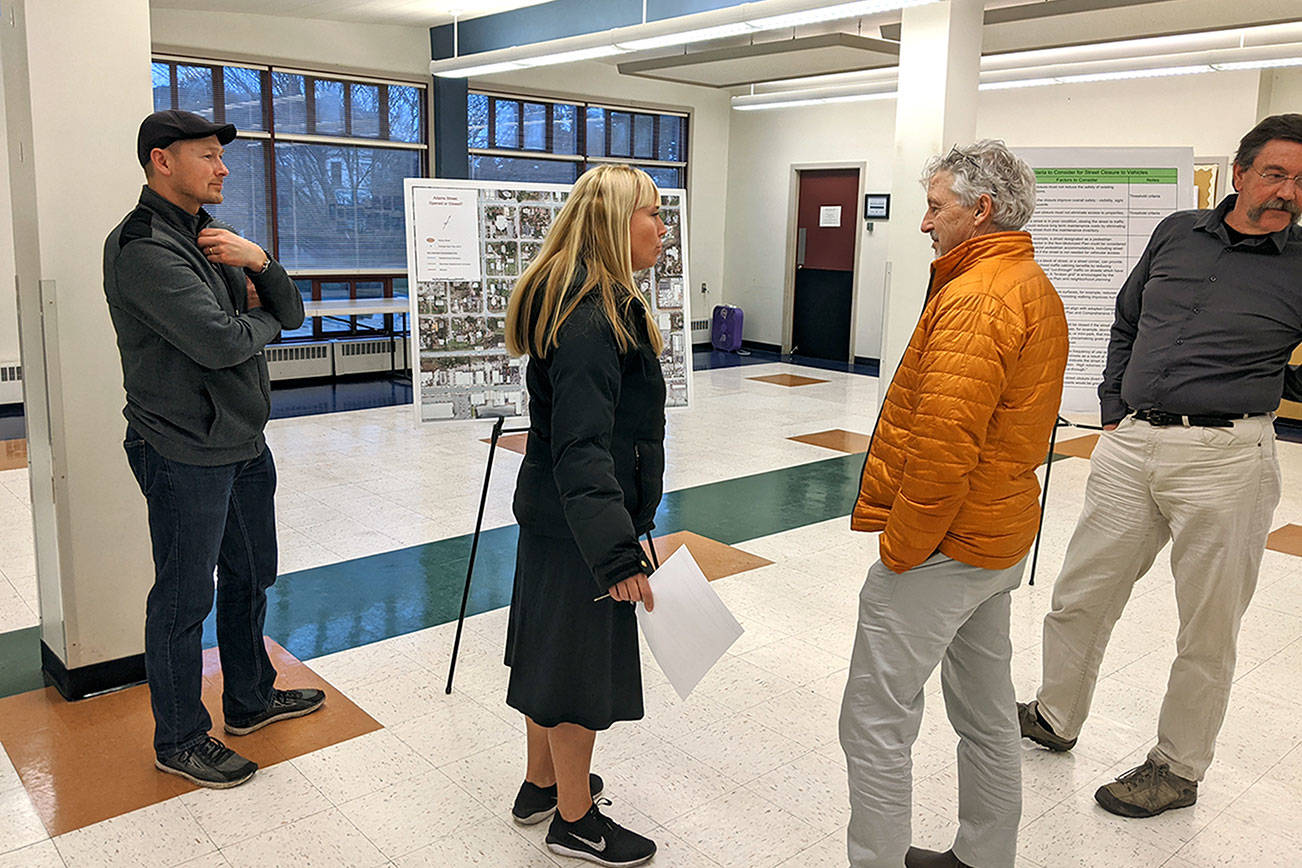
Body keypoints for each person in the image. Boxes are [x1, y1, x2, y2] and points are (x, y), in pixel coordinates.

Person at [1019, 114, 1302, 818]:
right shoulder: (1177, 231)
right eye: (1275, 174)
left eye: (1300, 181)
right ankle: (1055, 717)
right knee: (1080, 594)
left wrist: (1272, 379)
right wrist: (1114, 403)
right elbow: (1127, 318)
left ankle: (1176, 769)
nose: (1287, 192)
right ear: (1239, 174)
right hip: (1132, 444)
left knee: (1206, 629)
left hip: (1227, 457)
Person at [840, 140, 1068, 868]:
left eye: (936, 207)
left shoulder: (976, 297)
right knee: (986, 711)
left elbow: (943, 448)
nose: (925, 222)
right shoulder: (1028, 281)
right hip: (997, 536)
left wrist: (903, 549)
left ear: (982, 210)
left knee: (875, 717)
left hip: (947, 543)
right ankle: (983, 856)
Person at [103, 110, 318, 789]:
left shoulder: (211, 237)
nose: (222, 167)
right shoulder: (144, 248)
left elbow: (292, 313)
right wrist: (254, 318)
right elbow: (222, 341)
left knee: (254, 573)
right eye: (206, 155)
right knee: (183, 596)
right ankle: (180, 737)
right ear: (162, 161)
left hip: (241, 440)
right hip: (183, 448)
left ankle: (250, 699)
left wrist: (261, 263)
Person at [502, 164, 667, 867]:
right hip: (578, 525)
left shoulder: (577, 298)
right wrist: (616, 552)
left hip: (553, 514)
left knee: (547, 652)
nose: (662, 229)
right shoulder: (592, 320)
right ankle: (575, 820)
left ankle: (541, 784)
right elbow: (582, 448)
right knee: (575, 670)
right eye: (652, 215)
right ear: (613, 223)